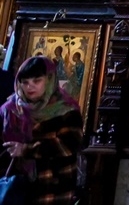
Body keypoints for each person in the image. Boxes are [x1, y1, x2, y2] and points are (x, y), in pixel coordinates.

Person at [1, 56, 83, 205]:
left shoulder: (66, 110)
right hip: (15, 188)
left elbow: (68, 145)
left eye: (37, 81)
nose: (29, 87)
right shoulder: (10, 109)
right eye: (25, 82)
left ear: (49, 79)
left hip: (53, 188)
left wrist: (26, 150)